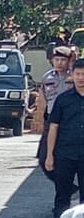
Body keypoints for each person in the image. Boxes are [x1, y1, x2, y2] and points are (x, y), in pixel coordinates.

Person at [46, 58, 84, 218]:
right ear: (72, 75)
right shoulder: (63, 99)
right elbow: (53, 127)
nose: (81, 78)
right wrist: (49, 155)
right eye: (78, 74)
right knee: (62, 195)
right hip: (65, 154)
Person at [37, 46, 75, 180]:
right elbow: (44, 98)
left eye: (63, 60)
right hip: (52, 119)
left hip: (70, 119)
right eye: (56, 59)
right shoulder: (47, 77)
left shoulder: (75, 76)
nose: (59, 63)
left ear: (68, 61)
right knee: (43, 157)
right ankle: (69, 187)